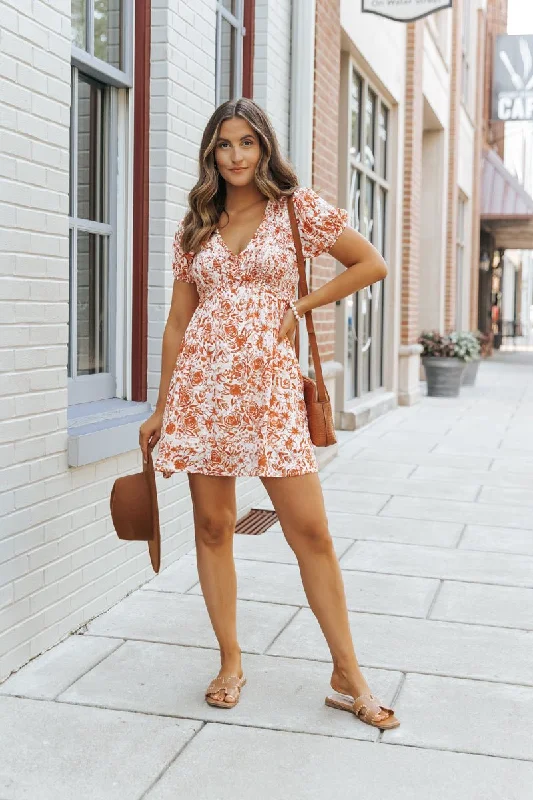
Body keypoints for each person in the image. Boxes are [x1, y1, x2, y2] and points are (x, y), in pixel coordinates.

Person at [139, 98, 399, 730]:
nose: (235, 157)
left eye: (247, 144)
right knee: (213, 526)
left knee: (310, 531)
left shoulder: (295, 209)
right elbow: (177, 322)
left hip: (272, 392)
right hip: (203, 390)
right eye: (224, 145)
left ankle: (348, 674)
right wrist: (161, 404)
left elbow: (371, 263)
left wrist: (300, 306)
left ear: (264, 148)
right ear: (211, 152)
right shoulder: (195, 225)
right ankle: (230, 661)